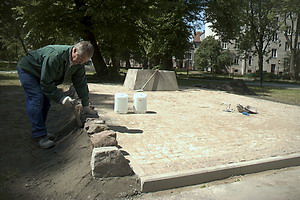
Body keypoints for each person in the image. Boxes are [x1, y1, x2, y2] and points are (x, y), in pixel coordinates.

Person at [17, 41, 98, 149]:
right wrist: (61, 98)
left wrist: (85, 104)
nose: (79, 63)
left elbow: (81, 83)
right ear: (74, 50)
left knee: (46, 102)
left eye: (83, 62)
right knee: (37, 98)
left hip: (43, 73)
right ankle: (39, 135)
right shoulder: (55, 56)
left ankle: (42, 131)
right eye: (79, 59)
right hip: (29, 70)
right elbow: (46, 83)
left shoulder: (79, 63)